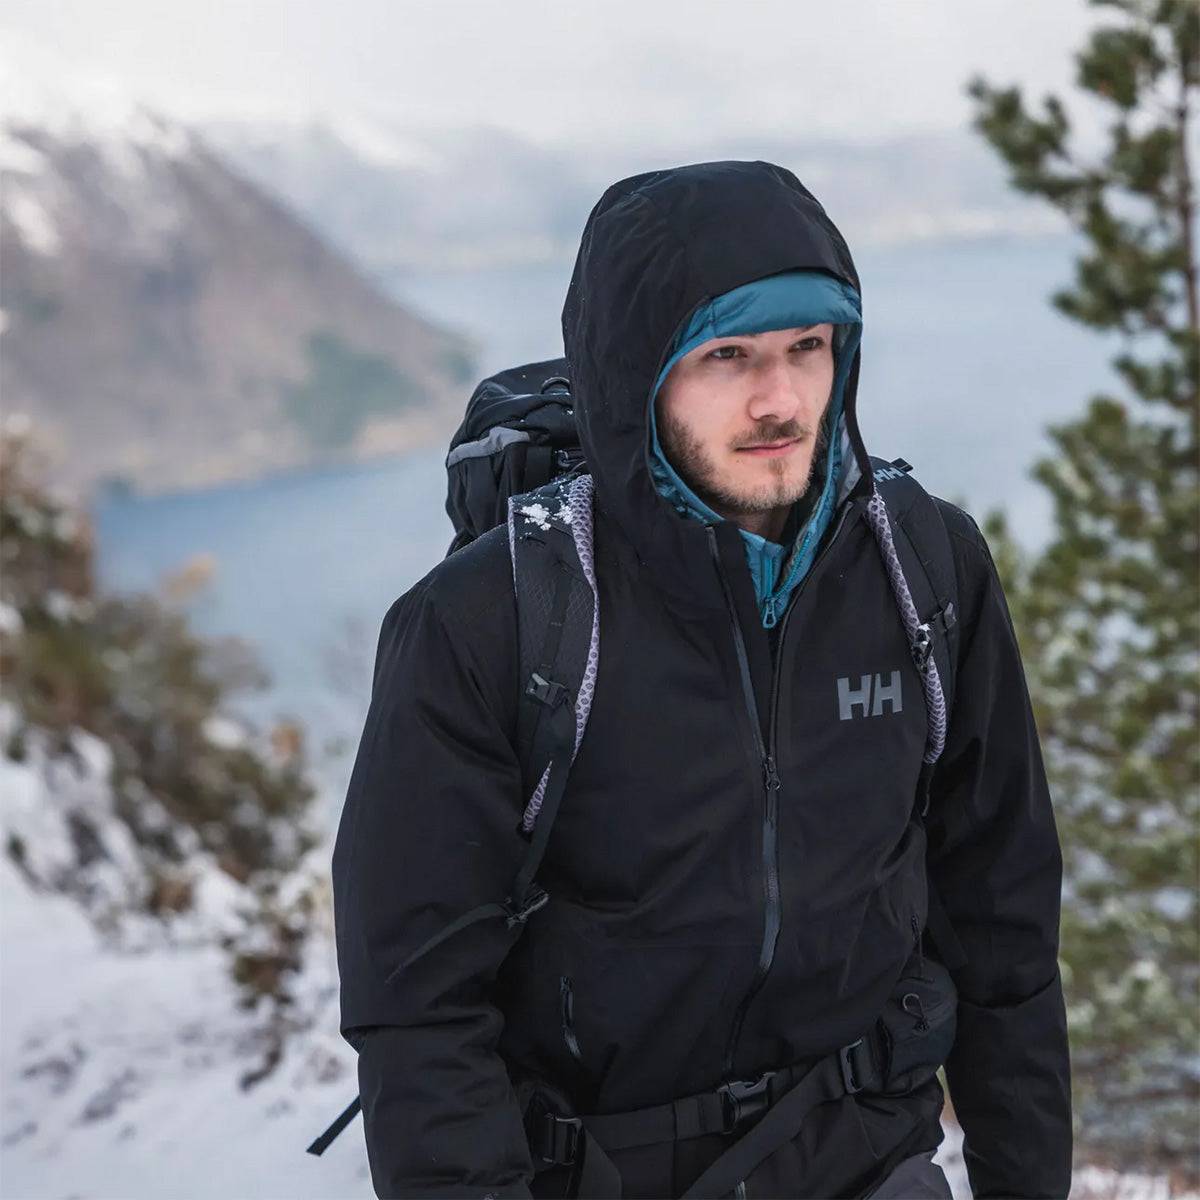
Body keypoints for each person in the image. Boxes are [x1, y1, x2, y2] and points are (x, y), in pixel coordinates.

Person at [331, 159, 1073, 1199]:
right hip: (597, 1176)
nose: (780, 399)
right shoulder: (493, 622)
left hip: (864, 1154)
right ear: (640, 375)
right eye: (727, 355)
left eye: (807, 348)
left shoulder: (924, 572)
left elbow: (1002, 924)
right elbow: (419, 1011)